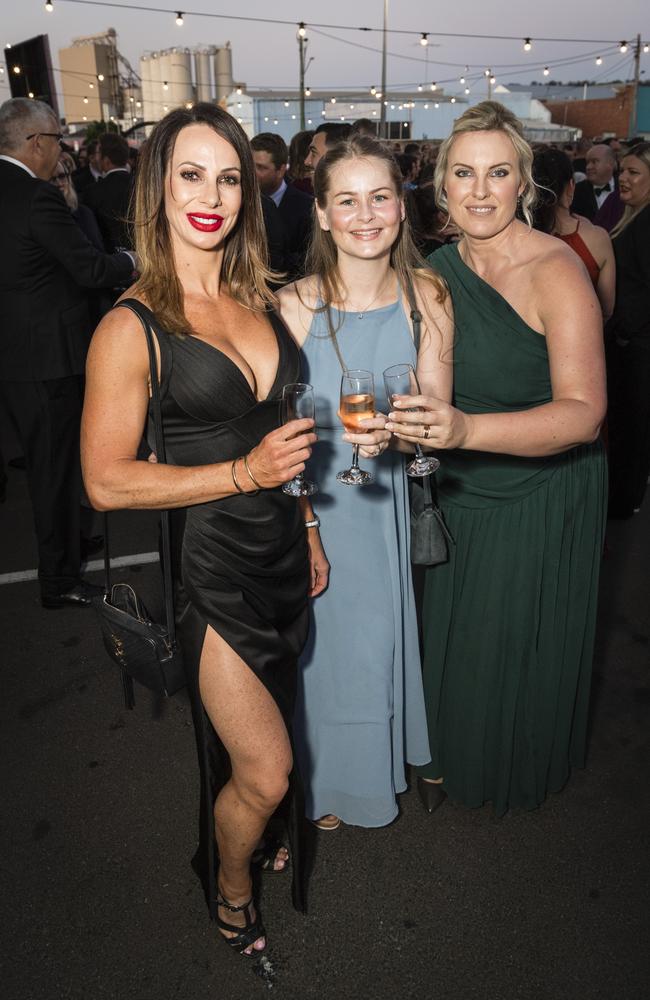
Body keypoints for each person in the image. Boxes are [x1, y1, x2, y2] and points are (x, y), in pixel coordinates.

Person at [81, 103, 317, 957]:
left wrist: (309, 526)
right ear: (158, 187)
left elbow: (280, 438)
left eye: (228, 176)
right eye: (191, 174)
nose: (212, 195)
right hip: (213, 571)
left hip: (283, 553)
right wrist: (240, 476)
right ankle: (227, 883)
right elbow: (103, 482)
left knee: (272, 741)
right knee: (267, 768)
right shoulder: (131, 325)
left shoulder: (259, 298)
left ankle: (247, 832)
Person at [387, 102, 607, 816]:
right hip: (459, 485)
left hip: (540, 484)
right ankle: (447, 750)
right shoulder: (434, 269)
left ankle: (503, 759)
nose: (479, 191)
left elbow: (584, 413)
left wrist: (461, 432)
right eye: (463, 173)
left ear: (525, 187)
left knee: (508, 638)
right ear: (440, 186)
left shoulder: (556, 271)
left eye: (498, 173)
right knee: (453, 628)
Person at [278, 134, 450, 828]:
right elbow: (274, 431)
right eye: (346, 200)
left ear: (402, 208)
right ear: (321, 214)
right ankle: (322, 783)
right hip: (313, 506)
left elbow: (439, 419)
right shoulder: (290, 307)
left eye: (380, 197)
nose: (365, 214)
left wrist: (400, 431)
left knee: (373, 641)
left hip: (380, 512)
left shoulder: (427, 296)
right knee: (321, 649)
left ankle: (366, 773)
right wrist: (306, 520)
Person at [0, 97, 135, 609]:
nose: (64, 149)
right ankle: (59, 579)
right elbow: (91, 270)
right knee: (53, 470)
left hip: (16, 355)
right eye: (58, 138)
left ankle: (71, 544)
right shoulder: (36, 198)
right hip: (47, 359)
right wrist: (134, 259)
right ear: (36, 142)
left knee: (48, 464)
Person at [605, 142, 650, 518]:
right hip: (628, 344)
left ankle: (626, 500)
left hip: (637, 347)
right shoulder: (632, 216)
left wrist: (626, 329)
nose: (624, 178)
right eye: (623, 170)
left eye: (634, 172)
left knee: (634, 424)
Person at [532, 146, 615, 319]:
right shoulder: (597, 237)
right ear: (571, 186)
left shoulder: (515, 235)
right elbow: (606, 309)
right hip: (582, 337)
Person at [251, 132, 313, 279]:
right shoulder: (238, 201)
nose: (252, 173)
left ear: (281, 170)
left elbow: (308, 263)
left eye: (260, 167)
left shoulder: (306, 208)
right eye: (249, 165)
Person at [83, 132, 134, 251]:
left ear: (106, 160)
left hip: (110, 259)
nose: (96, 158)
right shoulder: (143, 185)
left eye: (98, 153)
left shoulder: (92, 192)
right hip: (143, 256)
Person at [51, 151, 105, 250]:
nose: (59, 183)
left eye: (62, 176)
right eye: (52, 179)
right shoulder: (39, 218)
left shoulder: (84, 213)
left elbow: (98, 250)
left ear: (68, 178)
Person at [571, 144, 623, 231]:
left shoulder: (624, 187)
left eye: (594, 162)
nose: (588, 167)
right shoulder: (576, 191)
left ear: (610, 164)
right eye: (587, 162)